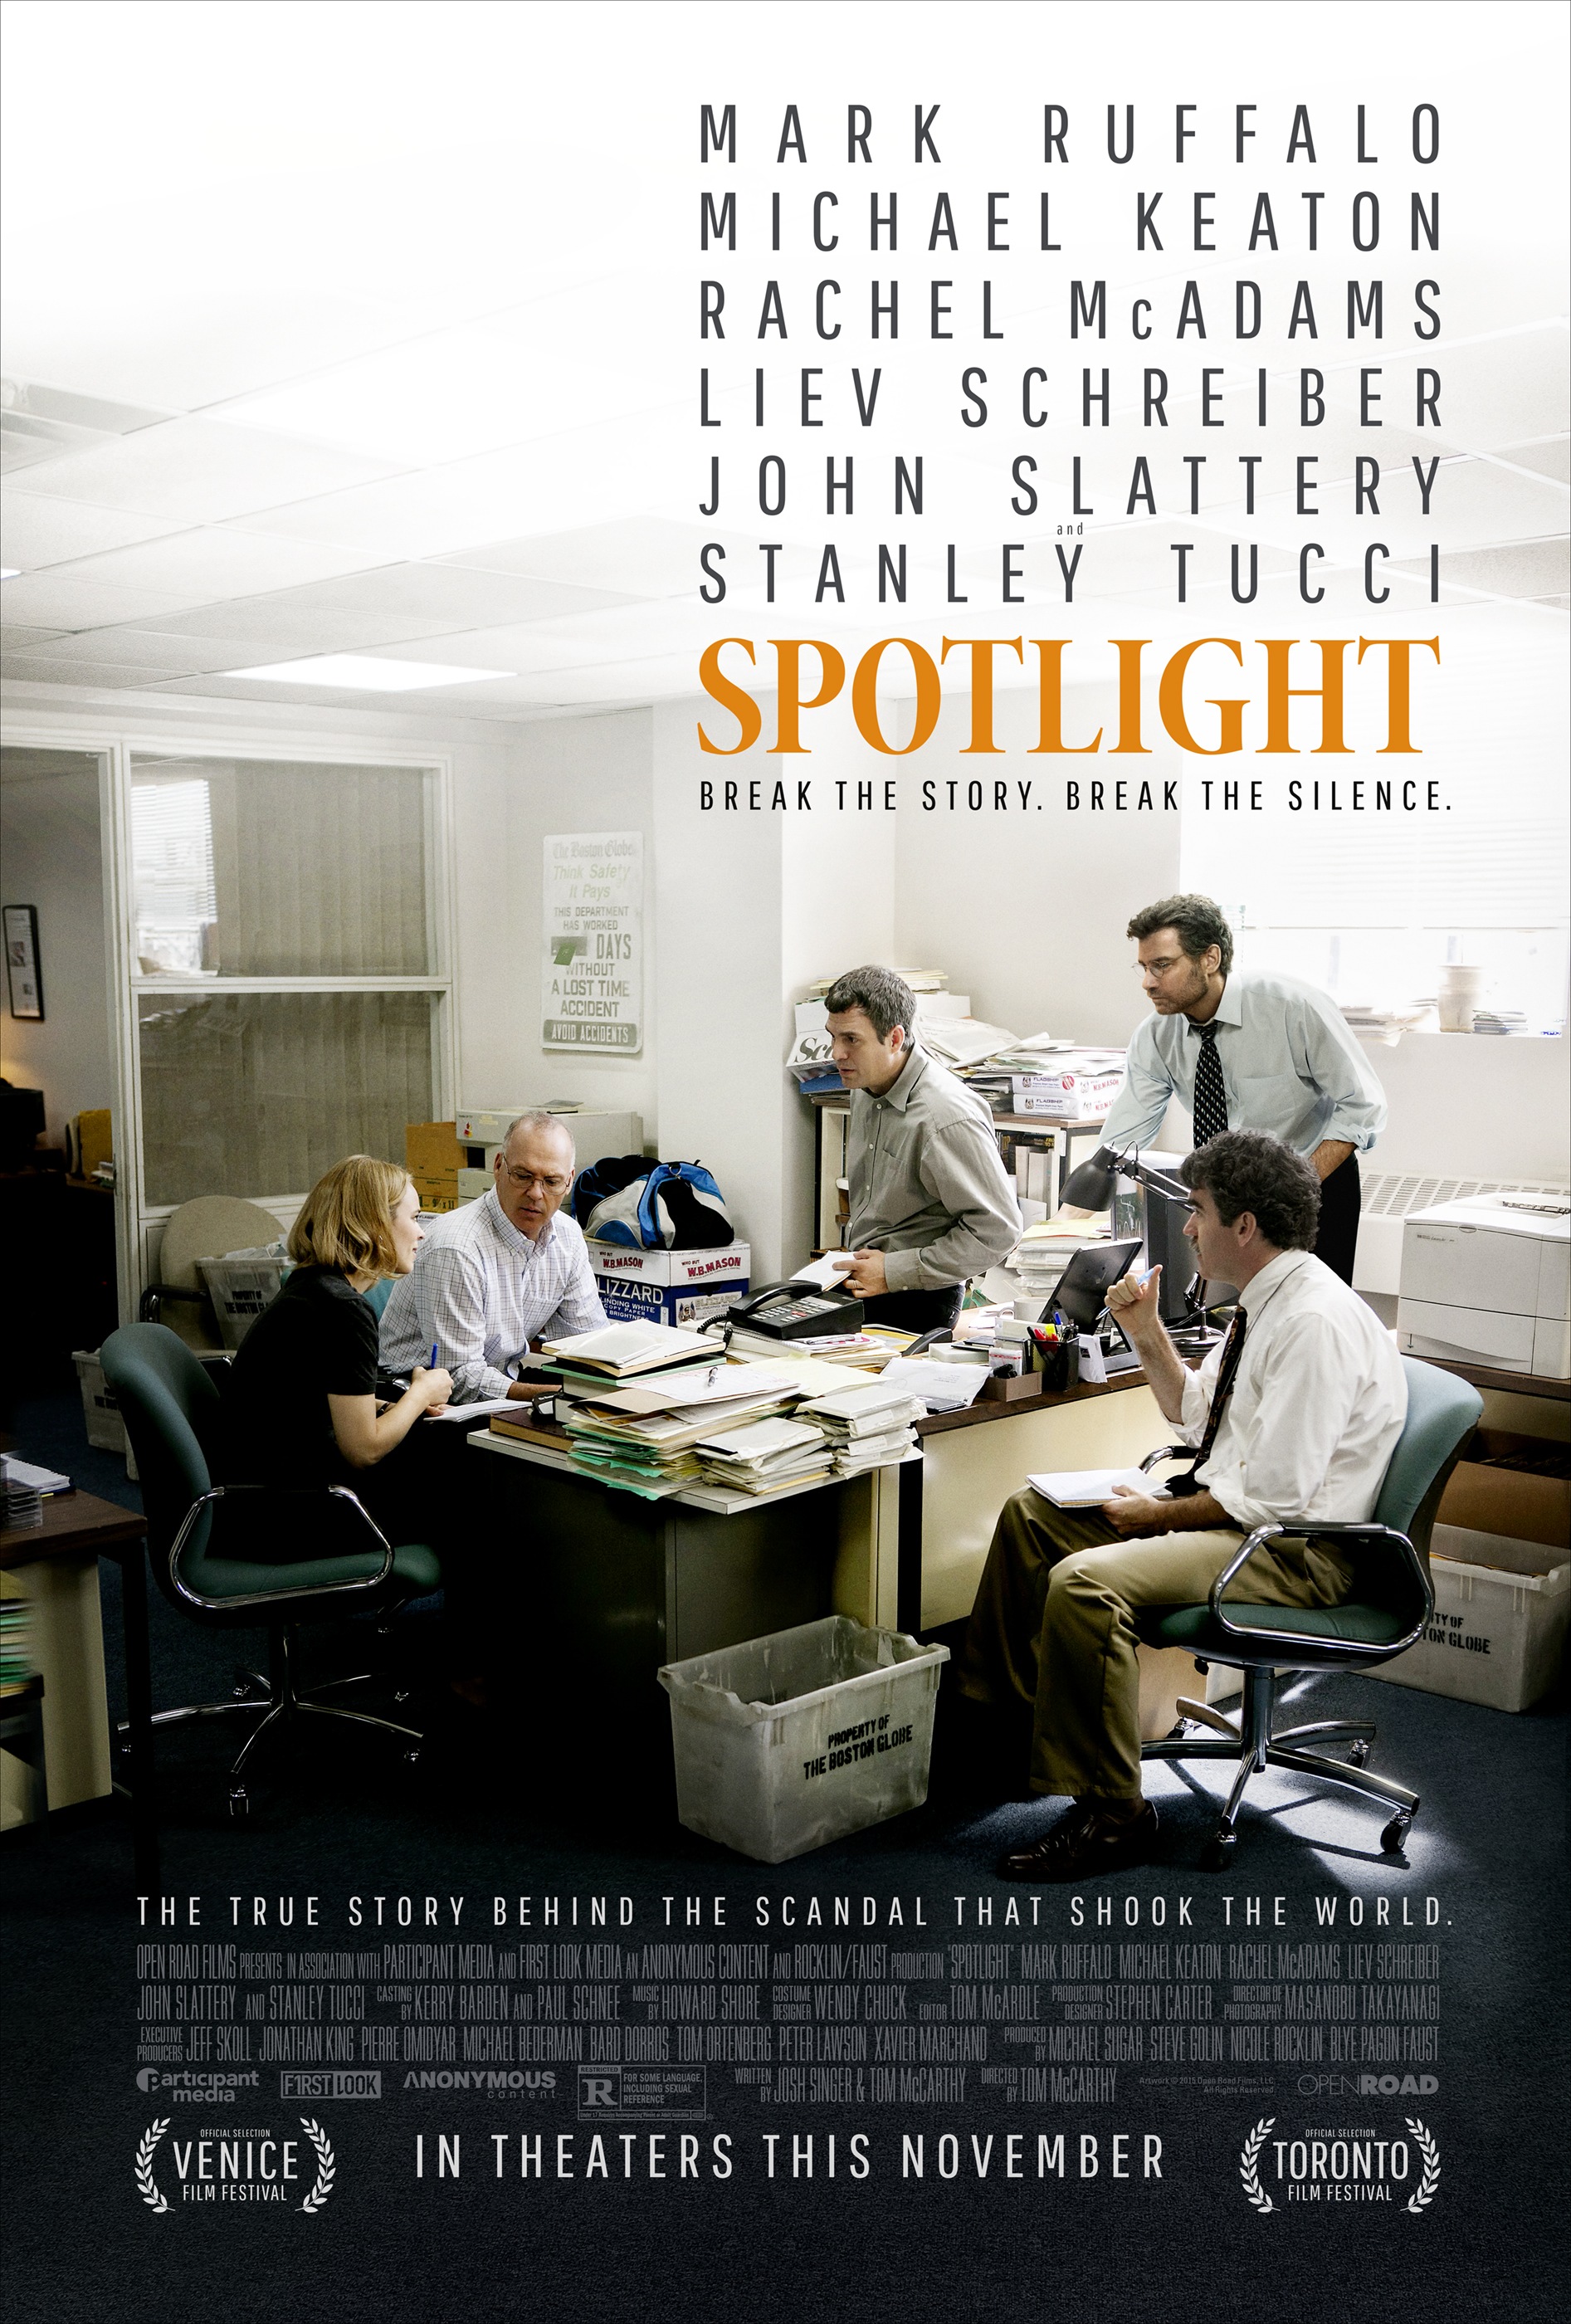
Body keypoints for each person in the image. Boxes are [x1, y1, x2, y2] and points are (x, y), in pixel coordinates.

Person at [960, 1129, 1408, 1882]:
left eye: (1198, 1211)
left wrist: (1155, 1516)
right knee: (1029, 1517)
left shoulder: (1311, 1323)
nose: (1188, 1226)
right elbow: (1196, 1418)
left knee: (1085, 1581)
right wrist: (1144, 1330)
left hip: (1295, 1553)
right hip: (1243, 1517)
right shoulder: (1264, 1304)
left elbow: (1274, 1497)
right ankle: (1015, 1737)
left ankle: (1116, 1817)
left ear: (1244, 1226)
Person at [1066, 894, 1387, 1284]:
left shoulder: (1291, 1007)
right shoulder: (1156, 1035)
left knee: (1310, 1314)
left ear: (1210, 959)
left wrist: (1296, 1184)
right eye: (1145, 968)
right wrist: (1071, 1218)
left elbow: (1362, 1107)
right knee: (1236, 1319)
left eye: (1163, 966)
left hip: (1312, 1180)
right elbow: (1126, 1131)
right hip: (1226, 1198)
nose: (1149, 983)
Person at [222, 1153, 453, 1527]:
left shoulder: (310, 1286)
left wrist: (383, 1405)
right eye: (413, 1218)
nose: (422, 1232)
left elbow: (302, 1399)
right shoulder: (344, 1310)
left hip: (256, 1498)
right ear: (376, 1226)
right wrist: (421, 1394)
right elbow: (364, 1450)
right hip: (291, 1514)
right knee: (470, 1493)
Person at [822, 964, 1022, 1336]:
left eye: (852, 1039)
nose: (837, 1053)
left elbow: (998, 1231)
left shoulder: (943, 1117)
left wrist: (893, 1271)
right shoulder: (866, 1085)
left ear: (895, 1038)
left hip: (917, 1296)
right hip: (865, 1278)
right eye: (833, 1036)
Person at [379, 1111, 606, 1400]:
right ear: (499, 1166)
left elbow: (587, 1344)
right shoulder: (457, 1247)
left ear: (569, 1180)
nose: (536, 1193)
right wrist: (558, 1396)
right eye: (523, 1176)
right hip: (413, 1398)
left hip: (495, 1382)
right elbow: (460, 1377)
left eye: (551, 1182)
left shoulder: (568, 1237)